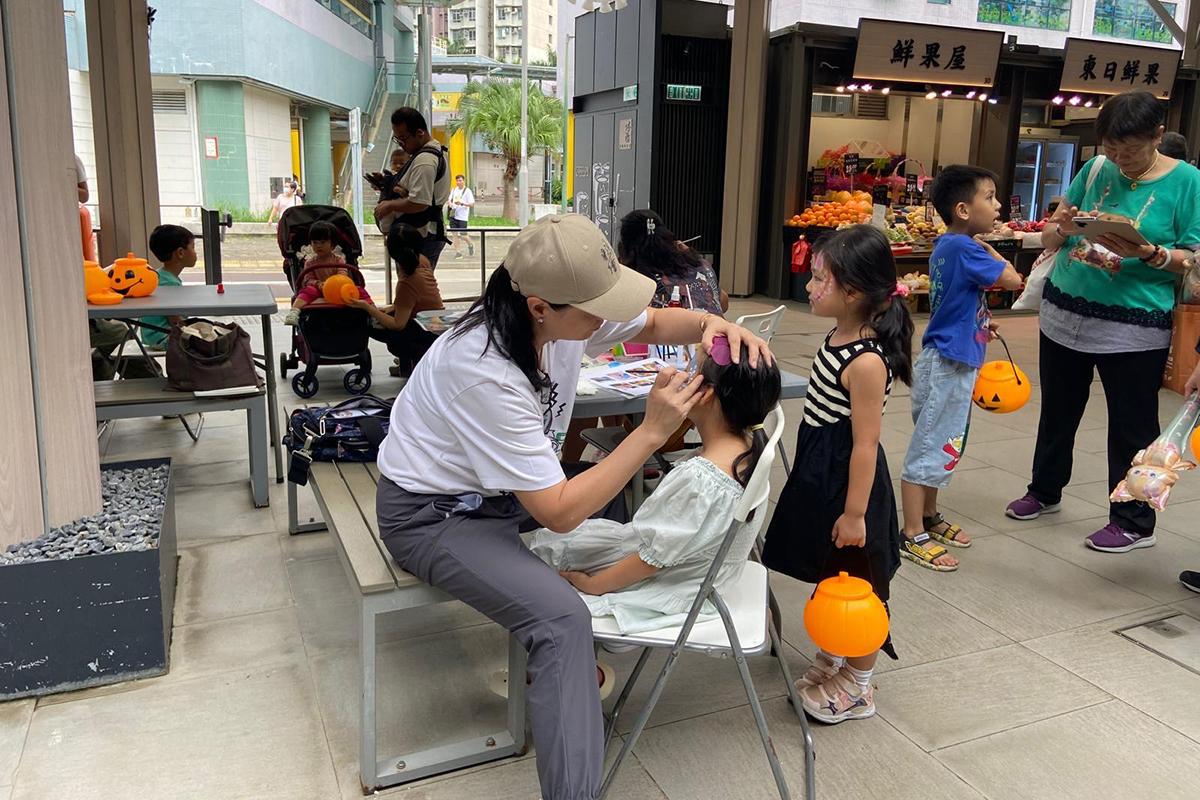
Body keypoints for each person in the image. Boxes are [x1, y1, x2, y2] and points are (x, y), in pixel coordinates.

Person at [373, 213, 771, 800]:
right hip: (434, 516)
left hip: (500, 497)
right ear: (540, 306)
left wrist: (716, 324)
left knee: (611, 514)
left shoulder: (560, 317)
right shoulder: (482, 369)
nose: (609, 318)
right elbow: (559, 511)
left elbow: (658, 318)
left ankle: (573, 680)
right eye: (597, 306)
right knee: (561, 621)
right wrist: (649, 433)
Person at [1004, 91, 1200, 553]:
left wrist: (1149, 253)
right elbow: (1052, 232)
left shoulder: (1188, 181)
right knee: (1057, 412)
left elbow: (1191, 258)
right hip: (1065, 310)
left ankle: (1133, 521)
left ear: (1156, 136)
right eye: (1111, 148)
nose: (1118, 159)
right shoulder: (1094, 170)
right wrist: (1065, 227)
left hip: (1134, 323)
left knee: (1131, 426)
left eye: (1128, 150)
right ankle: (1044, 490)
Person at [530, 335, 781, 634]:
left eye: (691, 370)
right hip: (702, 574)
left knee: (541, 559)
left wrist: (594, 586)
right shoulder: (749, 449)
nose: (681, 377)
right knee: (555, 543)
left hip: (674, 585)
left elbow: (652, 560)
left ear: (706, 394)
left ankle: (571, 664)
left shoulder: (702, 480)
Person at [762, 226, 912, 723]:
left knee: (865, 587)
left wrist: (854, 513)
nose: (808, 286)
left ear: (852, 292)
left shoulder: (866, 359)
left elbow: (866, 444)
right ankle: (838, 653)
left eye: (819, 279)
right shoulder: (837, 334)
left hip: (853, 486)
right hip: (825, 474)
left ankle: (860, 684)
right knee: (834, 574)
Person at [899, 166, 1022, 571]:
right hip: (950, 362)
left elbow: (957, 301)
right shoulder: (968, 249)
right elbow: (1012, 280)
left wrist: (980, 322)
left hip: (950, 355)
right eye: (990, 197)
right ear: (964, 209)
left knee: (942, 444)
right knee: (930, 446)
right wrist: (995, 250)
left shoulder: (948, 246)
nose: (998, 204)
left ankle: (930, 517)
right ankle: (912, 531)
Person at [354, 223, 443, 378]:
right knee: (385, 316)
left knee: (373, 326)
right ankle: (407, 365)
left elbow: (398, 324)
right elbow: (411, 302)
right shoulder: (421, 260)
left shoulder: (407, 282)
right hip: (433, 320)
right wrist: (389, 309)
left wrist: (368, 308)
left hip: (426, 330)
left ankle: (414, 364)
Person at [373, 107, 452, 267]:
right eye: (397, 139)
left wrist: (389, 205)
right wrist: (387, 185)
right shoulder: (431, 152)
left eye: (403, 138)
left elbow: (419, 202)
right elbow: (415, 191)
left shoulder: (424, 160)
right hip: (421, 232)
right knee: (417, 286)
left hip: (420, 235)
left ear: (420, 133)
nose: (401, 144)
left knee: (416, 287)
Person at [618, 209, 728, 314]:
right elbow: (723, 303)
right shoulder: (700, 264)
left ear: (627, 249)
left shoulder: (638, 278)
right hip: (717, 330)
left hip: (680, 332)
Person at [283, 221, 372, 325]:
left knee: (359, 290)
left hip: (338, 289)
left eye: (323, 242)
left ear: (333, 245)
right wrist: (318, 284)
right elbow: (308, 279)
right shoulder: (310, 262)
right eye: (315, 242)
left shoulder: (339, 260)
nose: (319, 246)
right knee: (307, 290)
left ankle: (372, 311)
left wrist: (333, 284)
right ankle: (294, 311)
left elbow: (342, 275)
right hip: (318, 290)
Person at [141, 225, 196, 350]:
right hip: (163, 336)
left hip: (152, 336)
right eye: (192, 247)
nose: (195, 252)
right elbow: (176, 322)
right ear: (180, 253)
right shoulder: (169, 284)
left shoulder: (160, 276)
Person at [448, 174, 476, 259]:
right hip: (453, 215)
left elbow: (472, 204)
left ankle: (470, 245)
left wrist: (462, 203)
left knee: (463, 235)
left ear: (464, 181)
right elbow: (449, 199)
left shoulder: (467, 191)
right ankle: (458, 253)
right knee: (454, 235)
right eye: (457, 180)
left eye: (460, 180)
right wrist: (450, 203)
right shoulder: (453, 190)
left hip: (462, 217)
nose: (458, 182)